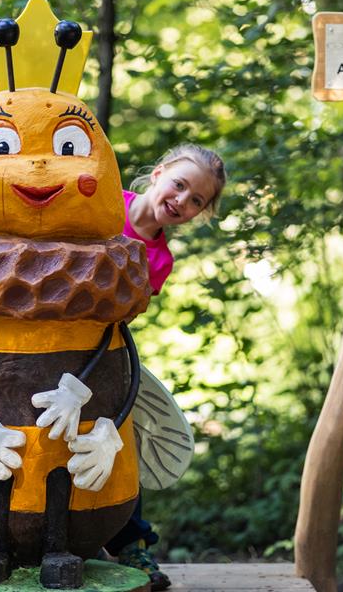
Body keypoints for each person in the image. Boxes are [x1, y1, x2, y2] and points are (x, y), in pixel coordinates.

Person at [106, 144, 228, 590]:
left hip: (105, 349)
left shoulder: (161, 261)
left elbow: (127, 313)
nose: (182, 201)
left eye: (196, 200)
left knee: (123, 435)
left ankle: (130, 543)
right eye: (179, 185)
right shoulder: (101, 201)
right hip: (46, 337)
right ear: (157, 174)